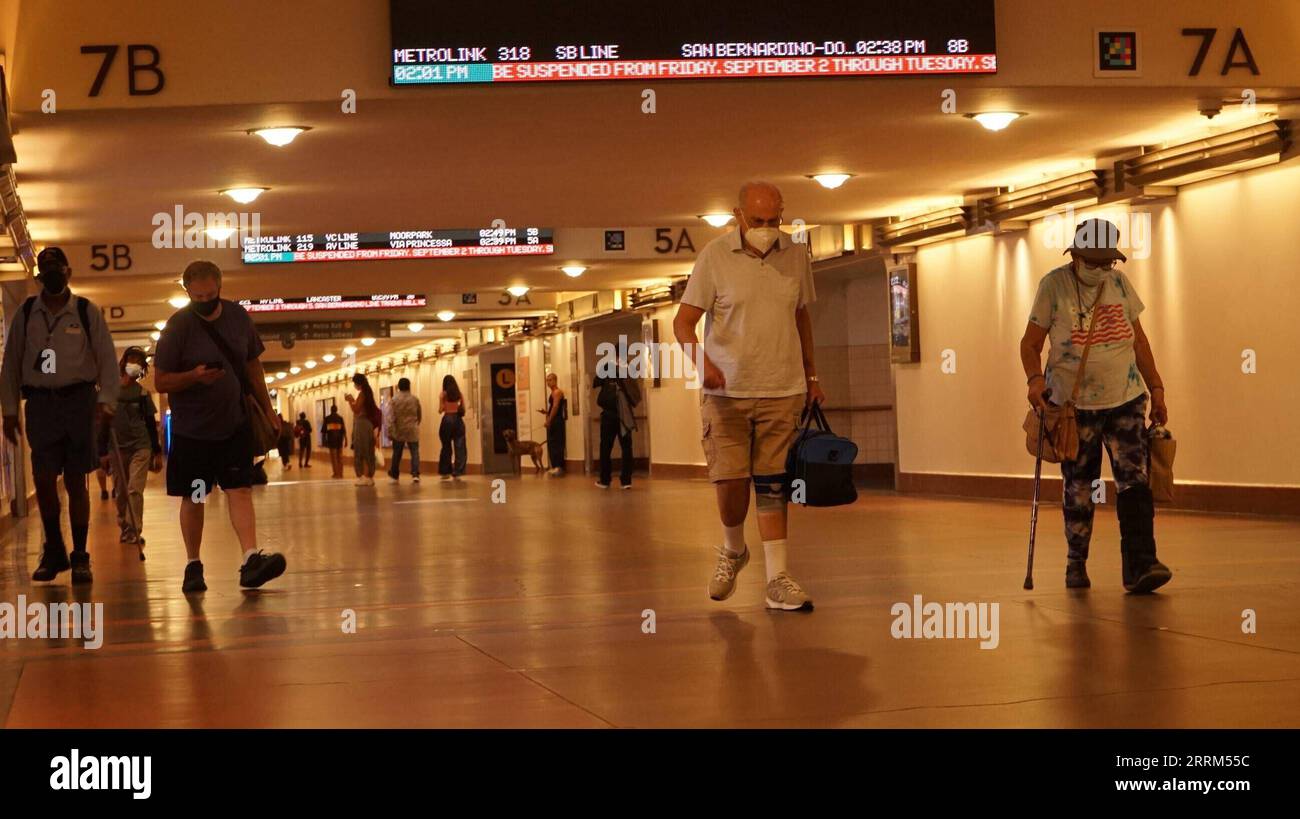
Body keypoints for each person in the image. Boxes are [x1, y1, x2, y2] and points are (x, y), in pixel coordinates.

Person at [673, 181, 824, 612]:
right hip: (727, 394)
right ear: (738, 215)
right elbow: (683, 323)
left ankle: (778, 578)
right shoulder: (715, 258)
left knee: (774, 484)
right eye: (757, 221)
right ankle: (734, 550)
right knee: (731, 481)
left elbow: (801, 316)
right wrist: (702, 364)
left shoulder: (796, 255)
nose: (766, 228)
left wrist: (812, 375)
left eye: (773, 219)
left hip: (783, 388)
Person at [1020, 218, 1173, 594]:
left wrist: (1156, 388)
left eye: (1108, 262)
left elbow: (1139, 341)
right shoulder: (1053, 286)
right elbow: (1030, 344)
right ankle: (1076, 562)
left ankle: (1141, 564)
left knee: (1135, 483)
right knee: (1080, 486)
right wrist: (1035, 381)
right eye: (1094, 262)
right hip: (1075, 408)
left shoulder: (1119, 284)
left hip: (1126, 399)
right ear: (1076, 256)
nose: (1101, 269)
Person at [153, 260, 287, 593]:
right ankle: (193, 564)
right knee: (196, 495)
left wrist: (269, 411)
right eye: (198, 296)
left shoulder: (238, 317)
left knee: (239, 489)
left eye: (210, 294)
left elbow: (252, 366)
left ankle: (250, 558)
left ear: (220, 287)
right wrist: (193, 377)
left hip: (234, 424)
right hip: (193, 432)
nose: (205, 300)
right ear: (187, 292)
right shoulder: (177, 327)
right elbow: (161, 381)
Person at [0, 246, 120, 584]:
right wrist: (10, 410)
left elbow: (107, 359)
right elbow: (10, 365)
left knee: (76, 481)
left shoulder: (85, 311)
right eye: (45, 271)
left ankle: (80, 555)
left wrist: (107, 401)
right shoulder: (25, 313)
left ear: (68, 273)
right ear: (39, 277)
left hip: (79, 400)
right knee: (43, 479)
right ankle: (54, 549)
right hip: (40, 404)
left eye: (57, 269)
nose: (52, 275)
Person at [99, 345, 162, 550]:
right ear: (123, 363)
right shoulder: (110, 391)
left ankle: (135, 530)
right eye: (131, 360)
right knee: (121, 491)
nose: (134, 364)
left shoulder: (143, 393)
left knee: (135, 489)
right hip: (117, 448)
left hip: (140, 446)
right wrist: (102, 453)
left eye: (138, 362)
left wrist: (157, 452)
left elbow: (151, 424)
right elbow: (102, 424)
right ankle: (125, 527)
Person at [593, 369, 641, 489]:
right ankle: (626, 481)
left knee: (605, 447)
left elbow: (596, 382)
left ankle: (605, 480)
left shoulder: (607, 366)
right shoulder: (629, 369)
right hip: (624, 415)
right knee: (626, 447)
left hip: (609, 414)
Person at [345, 373, 381, 487]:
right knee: (368, 450)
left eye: (355, 383)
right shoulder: (368, 393)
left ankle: (364, 476)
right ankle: (369, 476)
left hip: (362, 425)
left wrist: (350, 400)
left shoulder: (362, 394)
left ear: (358, 383)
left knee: (361, 449)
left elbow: (356, 409)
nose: (354, 385)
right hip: (368, 424)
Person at [387, 377, 422, 483]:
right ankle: (415, 474)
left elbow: (390, 417)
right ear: (409, 386)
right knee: (414, 452)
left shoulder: (394, 400)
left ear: (399, 387)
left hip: (399, 429)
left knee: (397, 452)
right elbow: (419, 414)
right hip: (412, 428)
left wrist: (390, 430)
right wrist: (415, 423)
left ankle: (394, 474)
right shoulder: (414, 399)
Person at [437, 375, 467, 481]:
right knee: (460, 446)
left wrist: (443, 405)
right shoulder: (459, 394)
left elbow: (440, 410)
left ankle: (445, 471)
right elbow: (463, 409)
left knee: (446, 446)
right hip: (458, 421)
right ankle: (458, 471)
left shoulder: (443, 395)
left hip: (447, 420)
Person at [540, 372, 567, 476]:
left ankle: (559, 466)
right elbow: (553, 408)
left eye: (550, 380)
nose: (548, 382)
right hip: (553, 420)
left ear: (555, 380)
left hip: (557, 421)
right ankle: (555, 465)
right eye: (547, 380)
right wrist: (546, 412)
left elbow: (556, 407)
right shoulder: (552, 393)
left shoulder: (557, 392)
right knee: (552, 443)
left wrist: (549, 420)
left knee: (557, 443)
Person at [323, 403, 346, 478]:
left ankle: (336, 473)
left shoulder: (327, 418)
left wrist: (324, 440)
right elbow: (343, 430)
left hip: (331, 440)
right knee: (340, 457)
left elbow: (324, 431)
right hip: (339, 439)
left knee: (334, 457)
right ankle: (341, 473)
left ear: (331, 410)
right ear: (337, 410)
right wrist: (346, 439)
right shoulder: (340, 418)